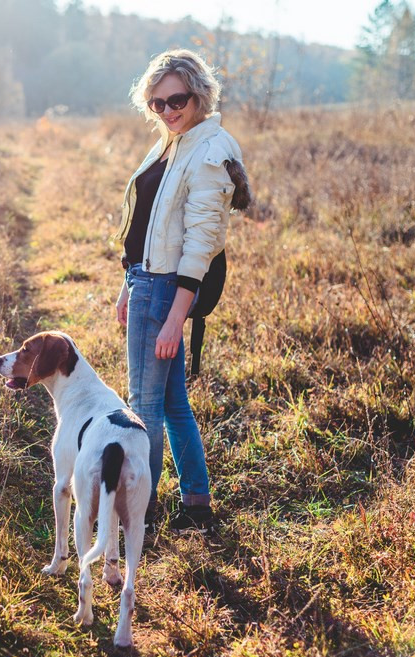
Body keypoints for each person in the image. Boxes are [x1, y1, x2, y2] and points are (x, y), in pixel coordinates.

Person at [113, 49, 244, 535]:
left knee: (143, 406)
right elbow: (149, 227)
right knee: (171, 405)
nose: (167, 110)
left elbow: (200, 244)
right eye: (157, 103)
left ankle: (139, 516)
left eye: (177, 100)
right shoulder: (174, 142)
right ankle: (196, 503)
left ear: (199, 94)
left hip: (164, 289)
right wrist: (128, 283)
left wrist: (173, 319)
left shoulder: (209, 149)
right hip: (147, 281)